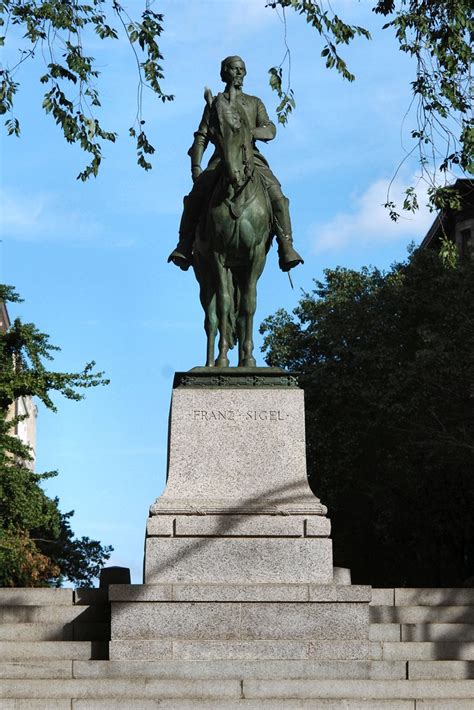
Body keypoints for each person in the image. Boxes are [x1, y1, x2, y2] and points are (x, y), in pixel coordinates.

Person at [168, 56, 304, 273]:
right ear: (224, 73)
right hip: (221, 159)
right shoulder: (215, 104)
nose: (238, 73)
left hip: (252, 159)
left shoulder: (254, 102)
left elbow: (270, 129)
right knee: (195, 196)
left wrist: (245, 133)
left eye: (242, 69)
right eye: (233, 69)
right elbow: (201, 136)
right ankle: (184, 245)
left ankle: (286, 246)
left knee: (278, 195)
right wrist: (196, 166)